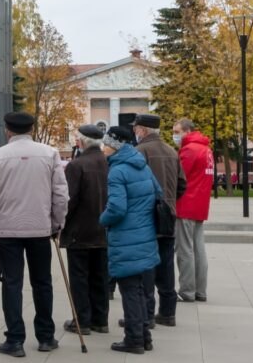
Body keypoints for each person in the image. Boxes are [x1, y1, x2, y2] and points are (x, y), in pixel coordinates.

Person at [0, 112, 68, 358]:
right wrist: (57, 223)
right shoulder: (50, 154)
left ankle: (15, 339)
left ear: (7, 129)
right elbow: (61, 194)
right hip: (40, 227)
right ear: (32, 128)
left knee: (12, 283)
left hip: (7, 229)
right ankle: (46, 336)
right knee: (42, 282)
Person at [99, 126, 160, 355]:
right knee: (141, 288)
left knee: (130, 290)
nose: (102, 148)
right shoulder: (140, 164)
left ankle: (134, 339)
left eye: (105, 144)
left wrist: (102, 219)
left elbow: (116, 208)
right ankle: (144, 336)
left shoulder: (117, 170)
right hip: (144, 234)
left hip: (126, 237)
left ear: (114, 146)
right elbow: (158, 193)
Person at [132, 113, 187, 328]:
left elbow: (135, 185)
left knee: (145, 266)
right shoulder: (171, 151)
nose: (134, 132)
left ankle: (145, 314)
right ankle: (167, 312)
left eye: (136, 128)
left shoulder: (140, 152)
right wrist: (169, 203)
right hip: (168, 215)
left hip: (145, 217)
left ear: (143, 130)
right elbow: (182, 184)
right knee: (165, 265)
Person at [60, 124, 109, 336]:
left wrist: (59, 223)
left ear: (81, 142)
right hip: (104, 230)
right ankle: (101, 319)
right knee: (100, 276)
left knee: (79, 277)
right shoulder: (108, 162)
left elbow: (69, 201)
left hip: (80, 231)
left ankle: (82, 320)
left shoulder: (76, 165)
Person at [173, 118, 214, 303]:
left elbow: (178, 177)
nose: (175, 135)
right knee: (198, 249)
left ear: (187, 131)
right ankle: (200, 290)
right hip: (200, 204)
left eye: (177, 131)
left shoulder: (189, 150)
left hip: (186, 204)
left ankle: (187, 291)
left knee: (184, 250)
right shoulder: (206, 149)